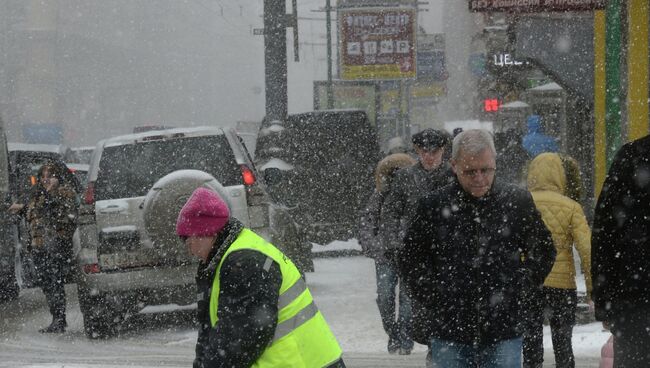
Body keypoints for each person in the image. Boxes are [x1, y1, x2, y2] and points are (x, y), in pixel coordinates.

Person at [398, 129, 555, 367]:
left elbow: (543, 250)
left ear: (495, 163)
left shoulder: (516, 202)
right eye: (470, 171)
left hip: (503, 329)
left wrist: (519, 287)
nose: (479, 178)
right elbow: (410, 257)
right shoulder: (433, 206)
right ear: (454, 166)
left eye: (486, 169)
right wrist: (434, 295)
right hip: (450, 330)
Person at [176, 187, 344, 368]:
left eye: (188, 241)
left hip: (302, 362)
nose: (190, 251)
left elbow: (241, 337)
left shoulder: (245, 262)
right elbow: (213, 334)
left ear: (207, 233)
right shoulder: (226, 258)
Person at [379, 128, 453, 354]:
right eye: (424, 151)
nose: (430, 156)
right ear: (418, 151)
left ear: (442, 151)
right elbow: (390, 212)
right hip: (415, 250)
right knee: (413, 303)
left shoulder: (453, 177)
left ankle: (436, 346)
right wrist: (392, 242)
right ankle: (414, 338)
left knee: (442, 301)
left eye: (435, 151)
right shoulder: (405, 177)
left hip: (446, 250)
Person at [523, 153, 592, 368]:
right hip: (562, 285)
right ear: (560, 175)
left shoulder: (522, 202)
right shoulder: (571, 207)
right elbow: (586, 249)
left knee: (531, 344)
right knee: (563, 344)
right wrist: (592, 288)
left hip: (530, 282)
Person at [592, 134, 650, 367]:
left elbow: (604, 232)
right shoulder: (632, 157)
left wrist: (605, 300)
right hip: (634, 302)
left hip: (633, 301)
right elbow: (605, 232)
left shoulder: (632, 156)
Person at [358, 153, 416, 355]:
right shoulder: (381, 194)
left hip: (410, 257)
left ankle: (405, 339)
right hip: (385, 256)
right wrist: (374, 247)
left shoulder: (416, 194)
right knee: (385, 298)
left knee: (408, 302)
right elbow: (367, 221)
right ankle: (393, 334)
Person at [19, 162, 77, 333]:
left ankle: (59, 319)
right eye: (43, 177)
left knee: (55, 282)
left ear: (58, 177)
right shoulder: (35, 195)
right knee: (45, 283)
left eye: (50, 176)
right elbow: (30, 215)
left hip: (56, 246)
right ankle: (56, 317)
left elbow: (65, 216)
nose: (46, 180)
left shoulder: (64, 193)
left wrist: (50, 195)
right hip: (39, 247)